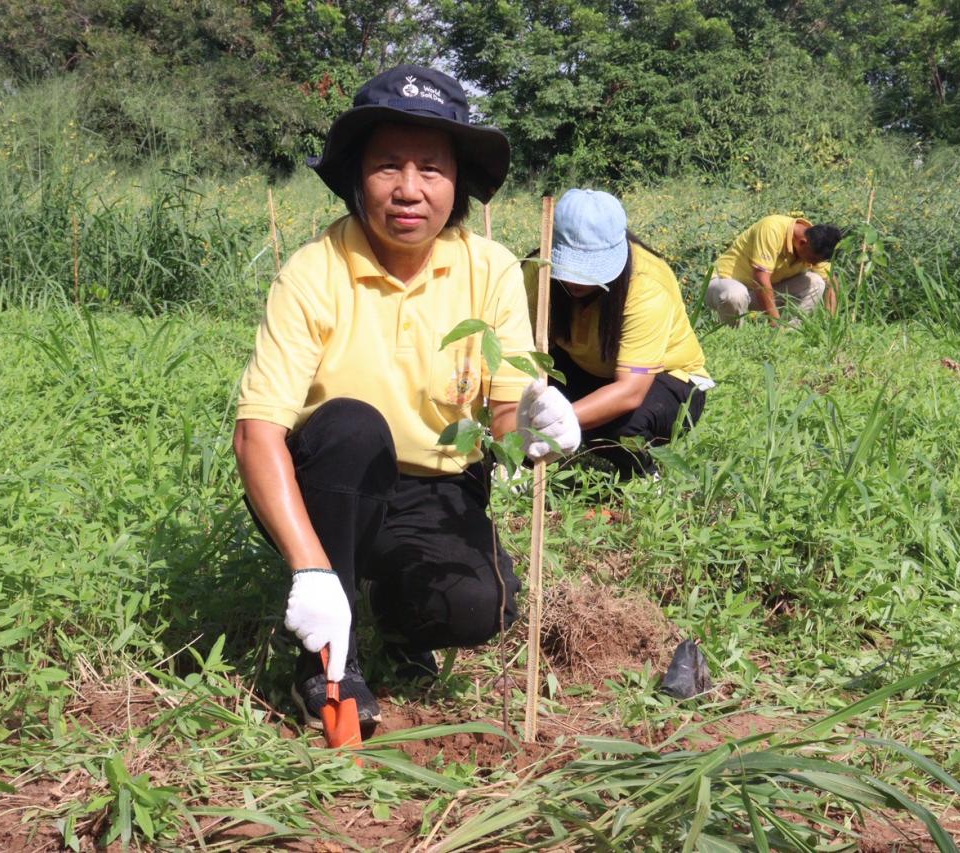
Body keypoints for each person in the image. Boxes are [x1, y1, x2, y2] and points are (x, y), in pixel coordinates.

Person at [232, 65, 581, 728]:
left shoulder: (491, 269)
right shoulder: (315, 271)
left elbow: (504, 412)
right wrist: (311, 569)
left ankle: (391, 612)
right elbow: (257, 433)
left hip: (438, 484)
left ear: (459, 181)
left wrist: (534, 416)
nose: (409, 189)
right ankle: (329, 659)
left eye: (431, 167)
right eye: (388, 165)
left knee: (475, 608)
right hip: (332, 477)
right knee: (352, 429)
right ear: (356, 175)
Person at [525, 189, 712, 479]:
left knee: (620, 429)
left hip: (667, 381)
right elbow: (521, 351)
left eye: (587, 269)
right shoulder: (535, 273)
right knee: (526, 396)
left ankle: (644, 475)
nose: (576, 280)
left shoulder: (645, 284)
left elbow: (630, 392)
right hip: (593, 370)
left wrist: (558, 422)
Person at [705, 215, 841, 326]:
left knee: (816, 283)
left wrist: (830, 324)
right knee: (735, 294)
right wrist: (776, 324)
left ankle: (790, 337)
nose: (814, 264)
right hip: (722, 284)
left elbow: (831, 281)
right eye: (813, 259)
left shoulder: (817, 243)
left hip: (756, 294)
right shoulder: (771, 228)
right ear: (802, 242)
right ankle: (734, 339)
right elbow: (761, 280)